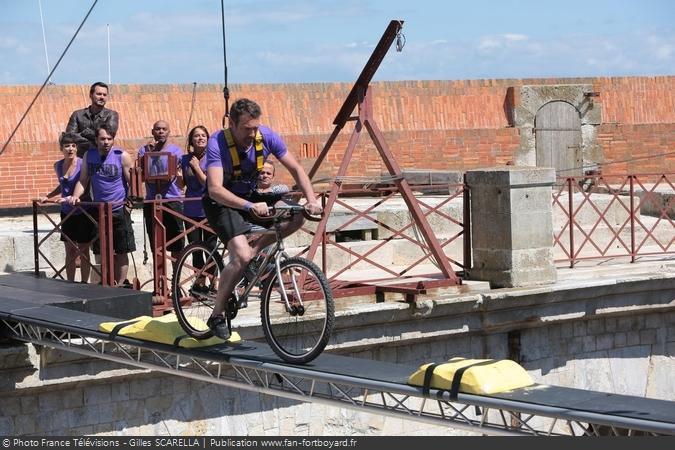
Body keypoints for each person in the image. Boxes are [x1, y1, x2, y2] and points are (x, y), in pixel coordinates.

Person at [203, 98, 322, 339]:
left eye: (255, 128)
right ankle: (216, 315)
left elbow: (297, 170)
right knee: (242, 255)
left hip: (250, 197)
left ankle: (255, 250)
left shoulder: (266, 136)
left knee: (297, 216)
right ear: (233, 124)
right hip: (222, 202)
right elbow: (214, 188)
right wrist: (249, 205)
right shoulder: (217, 143)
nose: (252, 133)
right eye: (247, 129)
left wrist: (311, 200)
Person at [68, 125, 136, 286]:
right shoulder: (88, 156)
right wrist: (76, 196)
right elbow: (83, 180)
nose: (106, 142)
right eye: (103, 139)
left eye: (109, 139)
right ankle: (106, 281)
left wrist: (129, 206)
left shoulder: (122, 156)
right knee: (101, 250)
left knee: (121, 250)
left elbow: (133, 182)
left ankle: (120, 283)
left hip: (119, 209)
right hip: (99, 210)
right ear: (96, 140)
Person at [41, 132, 94, 283]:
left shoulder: (82, 164)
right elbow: (63, 185)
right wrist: (49, 196)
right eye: (67, 146)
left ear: (77, 148)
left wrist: (72, 197)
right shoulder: (58, 165)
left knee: (83, 250)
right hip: (66, 212)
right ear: (61, 149)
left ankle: (85, 283)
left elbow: (85, 185)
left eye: (73, 146)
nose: (70, 149)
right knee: (70, 250)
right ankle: (70, 283)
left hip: (83, 211)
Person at [137, 120, 185, 276]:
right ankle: (160, 281)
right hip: (152, 200)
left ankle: (176, 279)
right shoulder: (143, 151)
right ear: (152, 132)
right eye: (157, 129)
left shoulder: (177, 152)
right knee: (156, 244)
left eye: (164, 129)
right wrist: (151, 154)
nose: (161, 132)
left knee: (176, 244)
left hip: (172, 200)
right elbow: (142, 176)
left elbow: (179, 176)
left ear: (169, 132)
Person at [181, 125, 217, 291]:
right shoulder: (184, 159)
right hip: (190, 210)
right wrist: (177, 175)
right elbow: (181, 185)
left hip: (209, 209)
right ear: (191, 140)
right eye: (196, 136)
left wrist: (196, 167)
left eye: (203, 135)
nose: (200, 138)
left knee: (210, 248)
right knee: (195, 248)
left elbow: (209, 184)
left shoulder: (213, 158)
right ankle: (199, 282)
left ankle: (213, 282)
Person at [66, 82, 120, 157]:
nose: (102, 97)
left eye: (104, 95)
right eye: (99, 94)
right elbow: (69, 137)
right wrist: (94, 140)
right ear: (91, 95)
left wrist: (87, 133)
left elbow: (108, 136)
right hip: (81, 159)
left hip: (102, 159)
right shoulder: (77, 115)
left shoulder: (112, 115)